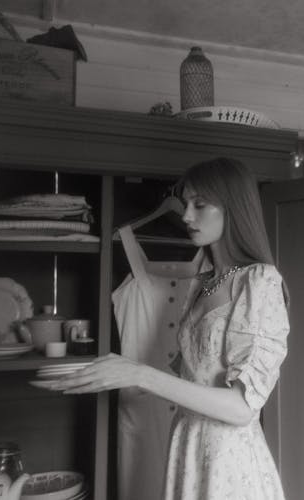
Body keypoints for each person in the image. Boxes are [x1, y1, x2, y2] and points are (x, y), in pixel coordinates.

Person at [49, 157, 290, 500]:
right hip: (186, 449)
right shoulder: (200, 284)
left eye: (200, 204)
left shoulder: (259, 282)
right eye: (186, 203)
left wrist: (139, 374)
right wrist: (106, 372)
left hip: (230, 463)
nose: (186, 215)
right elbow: (188, 378)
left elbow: (242, 408)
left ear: (233, 208)